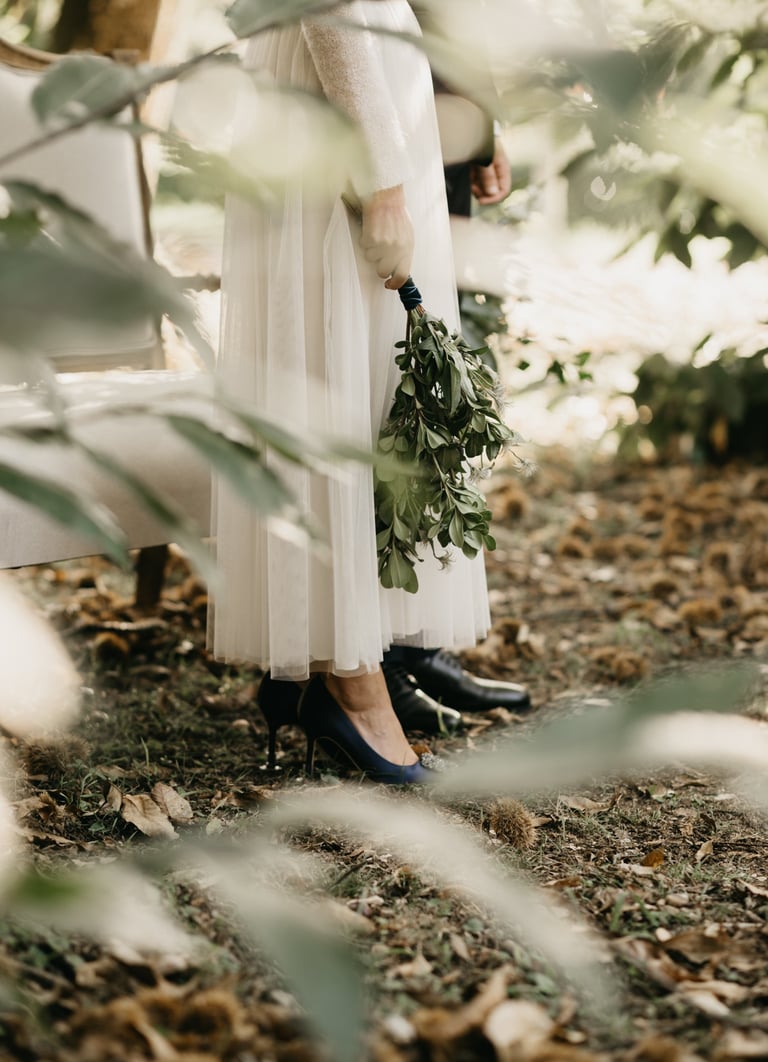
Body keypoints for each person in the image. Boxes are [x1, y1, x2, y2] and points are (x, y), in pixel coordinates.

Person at [208, 2, 499, 780]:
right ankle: (351, 685)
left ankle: (331, 665)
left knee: (361, 385)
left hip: (359, 101)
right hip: (342, 120)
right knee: (339, 388)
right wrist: (380, 180)